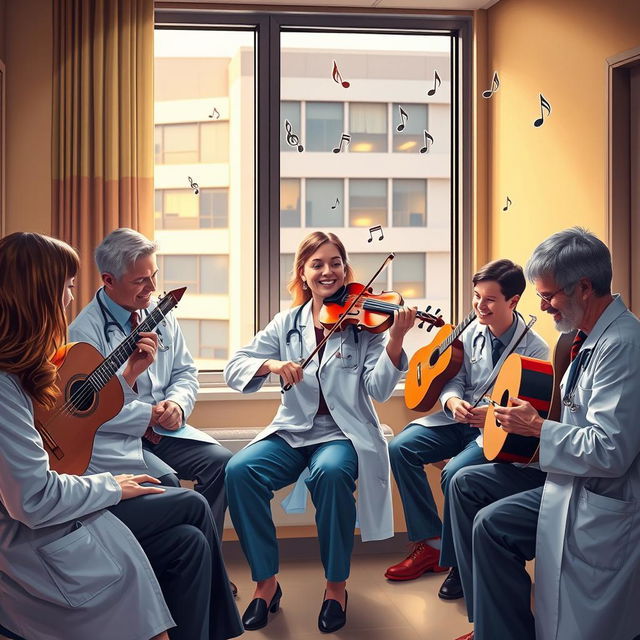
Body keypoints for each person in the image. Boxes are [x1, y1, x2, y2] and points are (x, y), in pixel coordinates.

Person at [0, 232, 241, 640]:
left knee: (190, 542)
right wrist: (112, 484)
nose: (70, 300)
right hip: (62, 501)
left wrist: (171, 401)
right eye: (66, 289)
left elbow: (183, 373)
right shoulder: (66, 344)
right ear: (38, 297)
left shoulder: (26, 364)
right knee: (193, 507)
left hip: (145, 437)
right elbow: (34, 494)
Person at [449, 227, 640, 640]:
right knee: (482, 514)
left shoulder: (622, 345)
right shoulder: (582, 339)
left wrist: (536, 429)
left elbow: (610, 450)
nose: (542, 305)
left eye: (548, 296)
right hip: (568, 478)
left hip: (599, 496)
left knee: (492, 527)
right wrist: (529, 433)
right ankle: (494, 627)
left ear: (584, 288)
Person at [224, 231, 415, 633]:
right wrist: (272, 366)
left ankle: (335, 587)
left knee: (330, 474)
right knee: (240, 471)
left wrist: (395, 339)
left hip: (341, 434)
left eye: (335, 263)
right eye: (317, 264)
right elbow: (235, 366)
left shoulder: (365, 326)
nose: (328, 271)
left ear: (345, 269)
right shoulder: (286, 323)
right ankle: (266, 584)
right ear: (303, 272)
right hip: (293, 431)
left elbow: (379, 389)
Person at [385, 259, 548, 601]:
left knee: (455, 473)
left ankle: (460, 563)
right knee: (400, 448)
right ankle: (431, 543)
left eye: (489, 299)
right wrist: (452, 402)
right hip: (455, 420)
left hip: (490, 431)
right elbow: (452, 380)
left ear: (513, 301)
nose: (479, 306)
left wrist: (490, 414)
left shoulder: (536, 349)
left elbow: (526, 410)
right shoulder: (470, 330)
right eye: (476, 296)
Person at [68, 228, 234, 542]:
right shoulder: (83, 333)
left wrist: (177, 405)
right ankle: (167, 567)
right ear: (108, 280)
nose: (152, 288)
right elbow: (86, 408)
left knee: (222, 465)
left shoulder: (160, 314)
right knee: (167, 482)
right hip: (118, 438)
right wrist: (142, 404)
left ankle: (206, 559)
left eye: (153, 275)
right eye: (140, 281)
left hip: (167, 431)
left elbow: (185, 372)